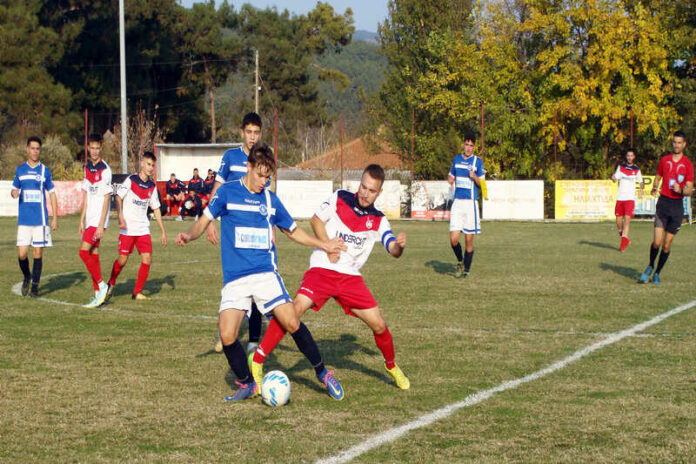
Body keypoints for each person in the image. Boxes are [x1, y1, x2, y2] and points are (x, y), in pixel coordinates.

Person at [176, 143, 347, 401]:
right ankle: (247, 384)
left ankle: (322, 372)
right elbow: (203, 222)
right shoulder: (226, 194)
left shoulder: (270, 199)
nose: (263, 181)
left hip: (265, 273)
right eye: (260, 174)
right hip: (236, 278)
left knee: (292, 321)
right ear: (248, 167)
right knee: (227, 334)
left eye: (268, 176)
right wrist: (189, 236)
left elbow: (293, 231)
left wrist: (324, 244)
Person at [250, 164, 411, 391]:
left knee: (379, 324)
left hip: (350, 279)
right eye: (363, 187)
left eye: (371, 190)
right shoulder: (340, 198)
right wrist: (328, 246)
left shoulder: (378, 220)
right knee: (294, 310)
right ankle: (257, 360)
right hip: (322, 269)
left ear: (379, 193)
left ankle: (392, 366)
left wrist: (399, 246)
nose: (365, 193)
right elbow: (316, 220)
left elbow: (392, 248)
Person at [207, 112, 264, 354]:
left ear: (260, 134)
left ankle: (253, 340)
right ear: (242, 132)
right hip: (232, 232)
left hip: (255, 231)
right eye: (248, 132)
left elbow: (266, 198)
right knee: (233, 282)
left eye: (256, 133)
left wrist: (270, 231)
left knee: (258, 283)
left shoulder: (262, 159)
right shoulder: (231, 157)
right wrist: (210, 221)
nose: (252, 137)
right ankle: (224, 333)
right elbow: (218, 188)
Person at [106, 152, 167, 300]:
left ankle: (137, 292)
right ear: (141, 164)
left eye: (153, 165)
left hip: (143, 229)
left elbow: (156, 208)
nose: (150, 168)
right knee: (122, 260)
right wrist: (120, 216)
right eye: (148, 164)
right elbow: (118, 197)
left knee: (147, 259)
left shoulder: (152, 186)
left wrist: (163, 231)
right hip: (127, 228)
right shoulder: (131, 180)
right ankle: (110, 283)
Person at [639, 131, 694, 285]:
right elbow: (658, 176)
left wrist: (681, 190)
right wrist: (655, 186)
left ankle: (657, 273)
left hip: (676, 207)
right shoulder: (664, 160)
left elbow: (689, 189)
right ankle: (650, 266)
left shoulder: (688, 165)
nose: (676, 145)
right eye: (674, 142)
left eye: (679, 142)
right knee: (656, 242)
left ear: (684, 144)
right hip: (663, 204)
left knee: (667, 244)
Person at [11, 136, 58, 298]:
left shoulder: (45, 171)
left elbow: (52, 194)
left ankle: (35, 288)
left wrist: (55, 217)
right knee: (22, 254)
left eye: (38, 148)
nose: (35, 151)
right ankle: (27, 276)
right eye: (32, 148)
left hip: (41, 220)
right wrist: (14, 193)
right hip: (24, 220)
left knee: (38, 252)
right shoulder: (20, 170)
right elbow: (13, 190)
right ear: (27, 149)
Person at [78, 134, 113, 308]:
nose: (94, 151)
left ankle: (102, 285)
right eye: (91, 147)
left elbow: (107, 198)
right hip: (89, 219)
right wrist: (81, 219)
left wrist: (101, 225)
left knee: (83, 252)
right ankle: (98, 295)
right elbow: (86, 195)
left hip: (98, 221)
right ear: (88, 148)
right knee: (93, 254)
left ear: (101, 149)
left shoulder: (105, 169)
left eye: (97, 148)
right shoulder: (87, 168)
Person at [447, 133, 485, 278]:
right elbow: (451, 176)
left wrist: (474, 176)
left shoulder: (477, 162)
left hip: (470, 204)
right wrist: (450, 179)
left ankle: (467, 270)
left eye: (471, 145)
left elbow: (481, 183)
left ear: (474, 147)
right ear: (463, 144)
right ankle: (460, 261)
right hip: (458, 203)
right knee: (453, 239)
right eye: (466, 144)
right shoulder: (457, 159)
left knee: (468, 240)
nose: (468, 148)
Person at [611, 148, 644, 252]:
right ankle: (624, 237)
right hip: (620, 198)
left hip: (629, 199)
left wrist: (641, 190)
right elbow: (615, 179)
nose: (630, 157)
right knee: (618, 221)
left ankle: (623, 245)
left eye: (631, 156)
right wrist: (613, 178)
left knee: (627, 220)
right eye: (628, 155)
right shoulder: (621, 167)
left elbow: (641, 182)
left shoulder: (636, 169)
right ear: (626, 156)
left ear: (634, 157)